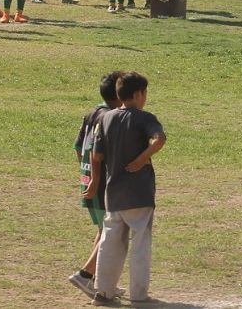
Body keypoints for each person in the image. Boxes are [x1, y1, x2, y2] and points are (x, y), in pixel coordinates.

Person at [84, 72, 166, 307]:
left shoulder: (106, 118)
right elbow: (159, 139)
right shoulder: (144, 118)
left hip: (113, 193)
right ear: (139, 94)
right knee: (140, 243)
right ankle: (139, 294)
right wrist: (142, 159)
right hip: (139, 192)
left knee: (111, 242)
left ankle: (103, 291)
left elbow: (97, 154)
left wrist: (98, 177)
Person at [68, 71, 124, 299]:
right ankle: (85, 275)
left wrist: (86, 175)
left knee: (104, 230)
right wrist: (96, 179)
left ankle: (101, 279)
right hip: (101, 184)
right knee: (112, 233)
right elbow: (99, 154)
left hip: (89, 180)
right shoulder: (111, 117)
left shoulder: (92, 112)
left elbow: (77, 147)